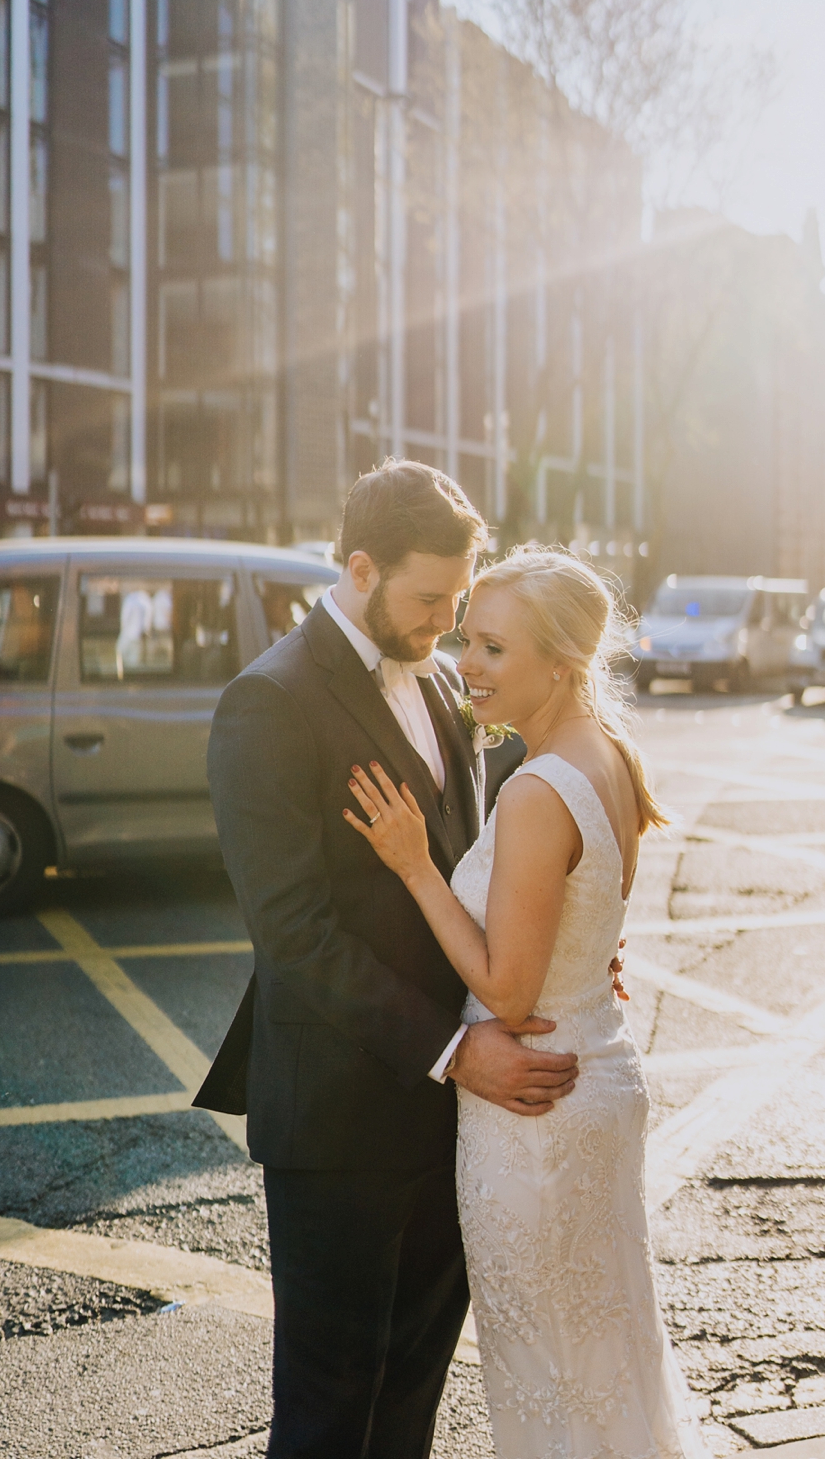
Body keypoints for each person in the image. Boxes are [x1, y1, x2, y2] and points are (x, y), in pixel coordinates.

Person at [195, 462, 579, 1458]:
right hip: (339, 1127)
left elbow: (475, 871)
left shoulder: (447, 681)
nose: (449, 623)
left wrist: (562, 956)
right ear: (359, 568)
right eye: (429, 598)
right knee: (329, 1415)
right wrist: (455, 1049)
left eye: (460, 599)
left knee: (410, 1401)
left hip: (449, 1124)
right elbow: (294, 936)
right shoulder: (268, 702)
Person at [347, 546, 709, 1458]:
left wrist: (417, 867)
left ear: (563, 663)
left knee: (548, 1373)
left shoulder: (540, 791)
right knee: (604, 1361)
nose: (468, 664)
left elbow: (507, 990)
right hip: (591, 1073)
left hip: (534, 1114)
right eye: (469, 640)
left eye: (495, 650)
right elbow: (585, 927)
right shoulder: (608, 755)